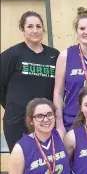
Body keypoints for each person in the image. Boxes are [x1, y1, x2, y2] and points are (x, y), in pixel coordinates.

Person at [0, 11, 59, 152]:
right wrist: (12, 106)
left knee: (44, 164)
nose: (35, 30)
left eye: (38, 26)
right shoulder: (11, 55)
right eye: (30, 26)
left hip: (45, 122)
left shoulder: (54, 55)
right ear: (23, 29)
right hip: (17, 122)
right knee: (22, 165)